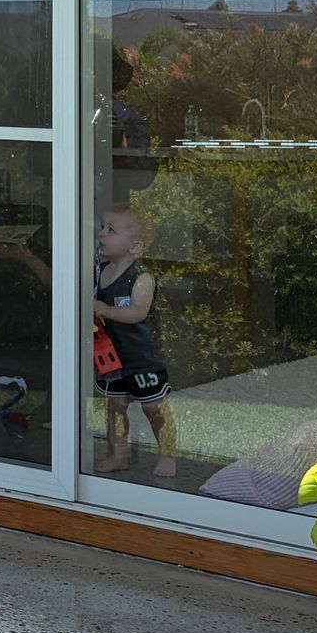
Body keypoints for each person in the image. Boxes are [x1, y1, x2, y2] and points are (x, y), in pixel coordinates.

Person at [92, 205, 178, 479]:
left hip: (142, 359)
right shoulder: (100, 270)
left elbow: (139, 311)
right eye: (103, 227)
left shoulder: (141, 277)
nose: (101, 234)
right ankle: (119, 454)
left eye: (111, 230)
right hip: (111, 356)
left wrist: (106, 310)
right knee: (115, 409)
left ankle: (167, 453)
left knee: (153, 407)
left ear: (135, 246)